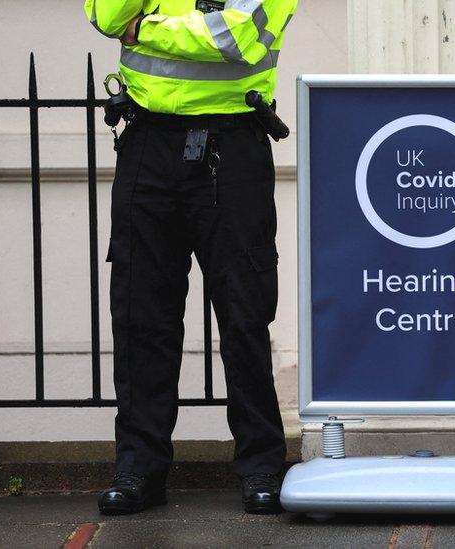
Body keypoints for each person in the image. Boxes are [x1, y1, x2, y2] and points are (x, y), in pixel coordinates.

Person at [84, 0, 298, 515]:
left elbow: (232, 38)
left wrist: (144, 29)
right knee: (140, 316)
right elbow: (107, 16)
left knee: (244, 313)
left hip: (233, 145)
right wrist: (142, 26)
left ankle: (262, 466)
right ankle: (139, 468)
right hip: (146, 144)